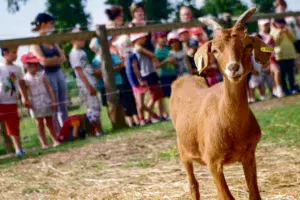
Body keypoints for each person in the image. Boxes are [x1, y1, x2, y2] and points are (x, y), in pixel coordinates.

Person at [30, 13, 68, 136]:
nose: (52, 25)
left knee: (63, 103)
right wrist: (56, 59)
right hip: (47, 76)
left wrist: (53, 60)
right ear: (43, 24)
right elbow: (43, 61)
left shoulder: (51, 41)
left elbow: (63, 57)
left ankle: (67, 131)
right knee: (54, 105)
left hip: (58, 73)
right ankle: (58, 134)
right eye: (50, 23)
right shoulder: (35, 43)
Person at [93, 36, 139, 127]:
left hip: (118, 82)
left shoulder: (112, 55)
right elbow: (96, 72)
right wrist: (109, 70)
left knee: (122, 103)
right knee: (109, 105)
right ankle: (114, 124)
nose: (109, 44)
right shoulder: (95, 60)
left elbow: (120, 65)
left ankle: (128, 122)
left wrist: (108, 71)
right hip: (104, 85)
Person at [69, 28, 105, 136]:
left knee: (96, 107)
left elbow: (86, 68)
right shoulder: (74, 54)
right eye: (80, 39)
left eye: (83, 38)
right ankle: (96, 131)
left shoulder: (82, 51)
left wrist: (95, 72)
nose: (82, 41)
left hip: (91, 82)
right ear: (73, 40)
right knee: (92, 109)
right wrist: (89, 86)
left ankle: (98, 130)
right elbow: (79, 72)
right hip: (85, 85)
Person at [21, 53, 60, 148]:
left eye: (35, 64)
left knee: (49, 121)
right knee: (39, 123)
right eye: (30, 64)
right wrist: (25, 100)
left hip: (46, 101)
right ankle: (44, 143)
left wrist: (53, 100)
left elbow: (49, 88)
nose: (34, 66)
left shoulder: (42, 74)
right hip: (35, 104)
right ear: (26, 65)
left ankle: (55, 140)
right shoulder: (24, 79)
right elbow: (23, 92)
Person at [0, 47, 30, 156]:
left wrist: (24, 97)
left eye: (16, 53)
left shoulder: (18, 68)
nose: (16, 55)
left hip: (12, 102)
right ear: (5, 53)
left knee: (14, 126)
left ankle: (19, 150)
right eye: (13, 52)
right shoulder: (1, 67)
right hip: (1, 101)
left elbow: (21, 84)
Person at [256, 19, 284, 98]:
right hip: (267, 59)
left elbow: (274, 46)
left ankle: (275, 90)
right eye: (264, 25)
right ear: (259, 26)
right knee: (277, 72)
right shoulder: (258, 36)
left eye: (267, 25)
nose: (266, 27)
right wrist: (271, 47)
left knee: (273, 75)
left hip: (274, 57)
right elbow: (261, 49)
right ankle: (279, 90)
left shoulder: (269, 34)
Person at [271, 19, 299, 95]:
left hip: (290, 54)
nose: (281, 25)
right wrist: (279, 34)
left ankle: (293, 88)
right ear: (275, 24)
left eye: (282, 23)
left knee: (291, 73)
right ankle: (285, 89)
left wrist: (288, 33)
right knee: (282, 74)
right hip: (281, 56)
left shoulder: (288, 29)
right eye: (279, 23)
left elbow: (293, 39)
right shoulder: (273, 31)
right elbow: (275, 42)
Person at [154, 31, 177, 97]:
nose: (164, 39)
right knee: (169, 95)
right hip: (164, 76)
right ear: (157, 39)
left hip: (174, 74)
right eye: (161, 37)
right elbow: (156, 66)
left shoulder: (168, 48)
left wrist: (174, 61)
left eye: (165, 37)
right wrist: (166, 61)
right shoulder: (157, 52)